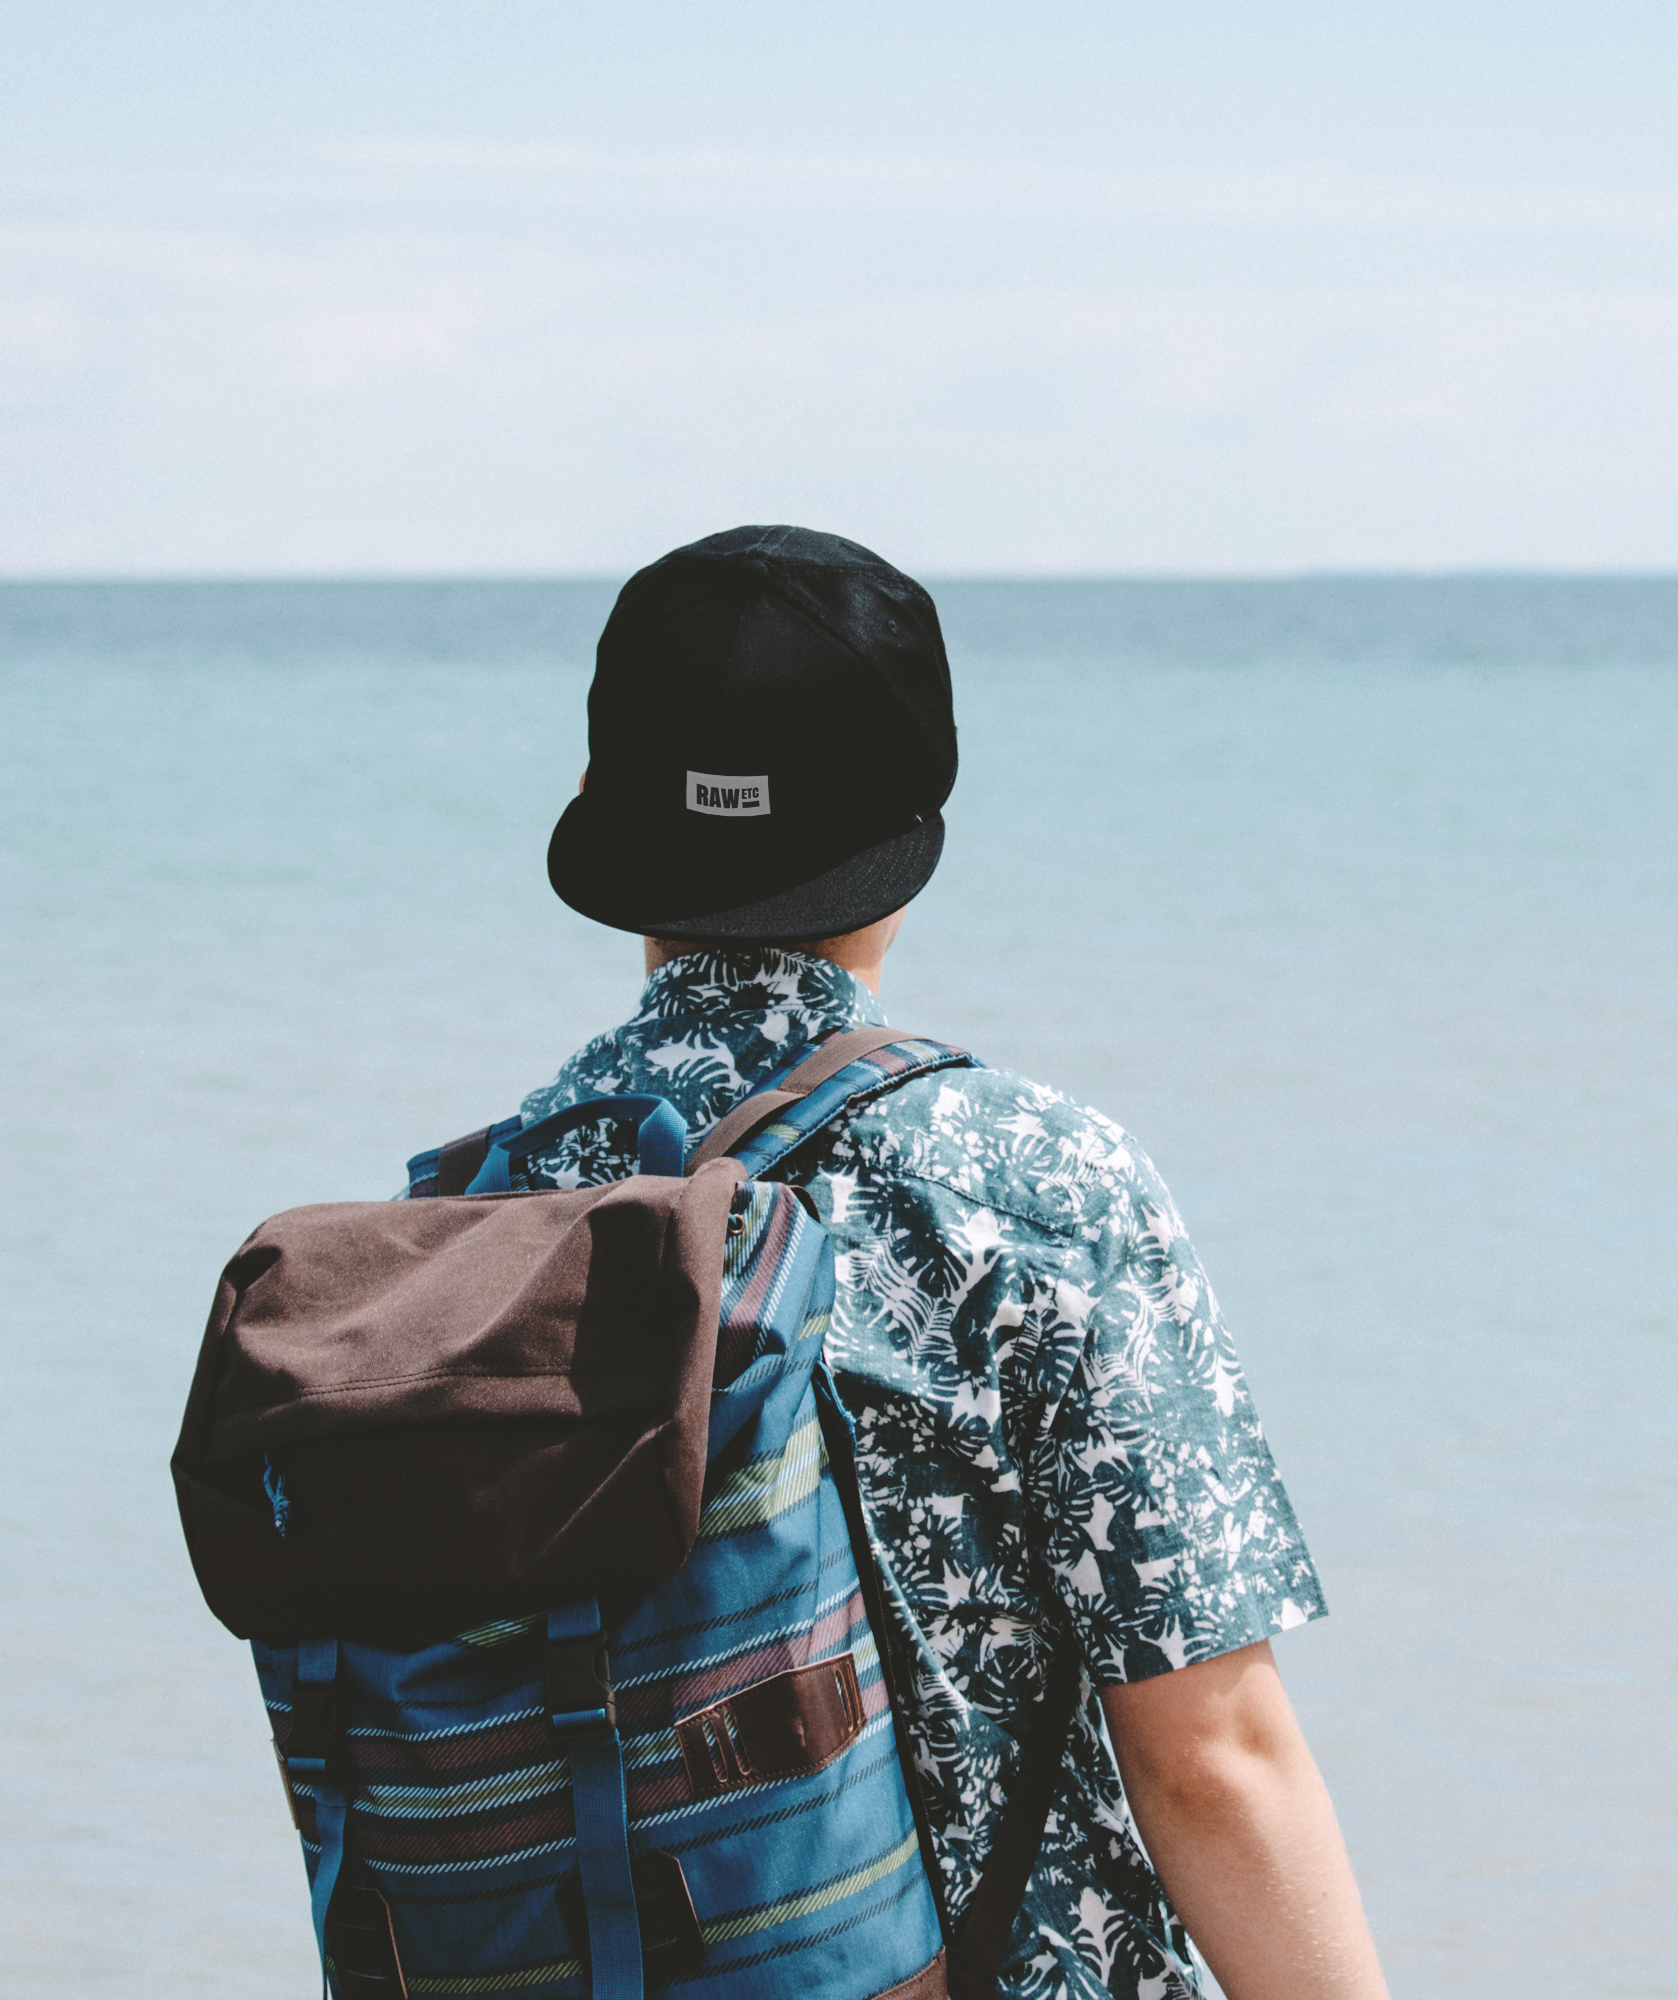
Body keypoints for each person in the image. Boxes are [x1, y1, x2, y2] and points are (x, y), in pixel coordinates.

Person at [477, 525, 1390, 2000]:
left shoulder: (489, 1208)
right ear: (914, 817)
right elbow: (1212, 1758)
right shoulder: (1033, 1186)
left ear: (597, 800)